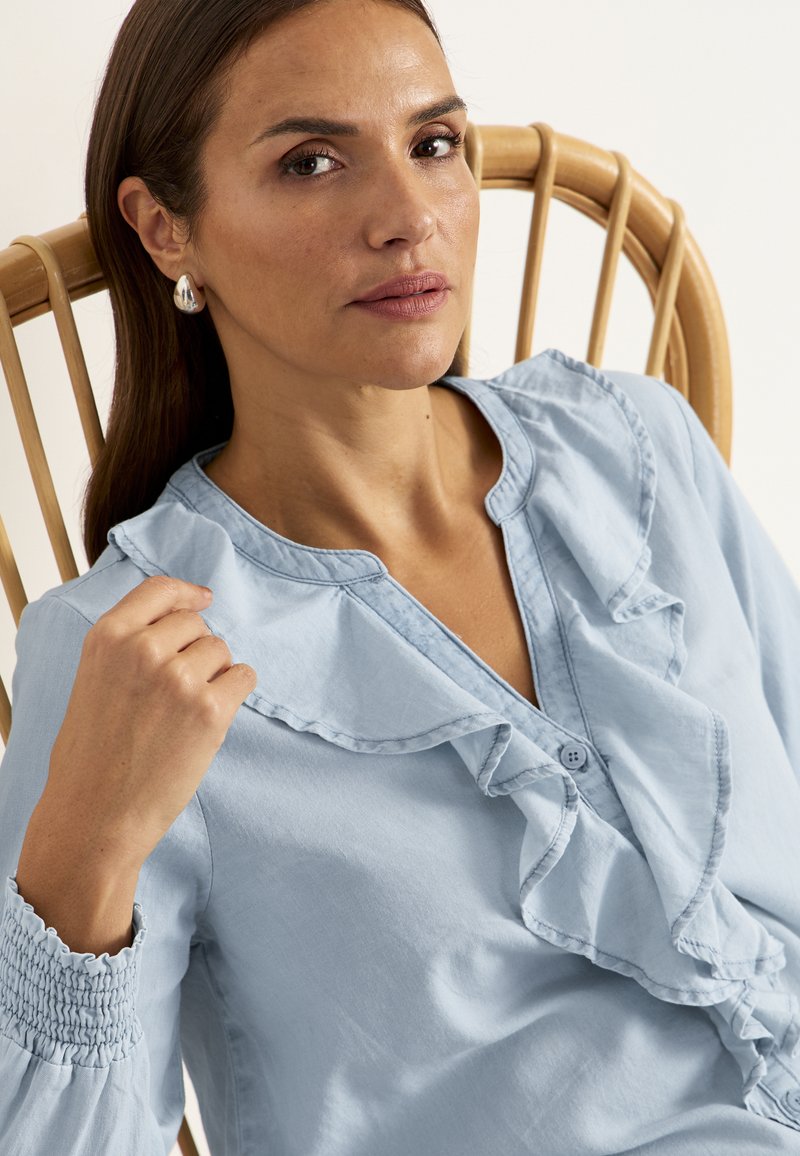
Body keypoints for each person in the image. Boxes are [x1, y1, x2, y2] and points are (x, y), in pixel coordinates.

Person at [1, 0, 799, 1151]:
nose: (408, 217)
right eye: (311, 162)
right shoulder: (126, 655)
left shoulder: (634, 446)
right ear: (166, 230)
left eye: (432, 143)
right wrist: (82, 857)